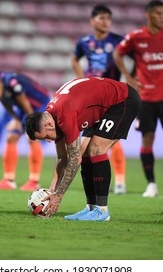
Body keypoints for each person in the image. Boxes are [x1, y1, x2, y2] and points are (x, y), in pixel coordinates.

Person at [24, 77, 141, 221]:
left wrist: (59, 196)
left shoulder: (64, 114)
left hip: (123, 100)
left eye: (46, 136)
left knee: (95, 149)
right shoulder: (52, 116)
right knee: (85, 152)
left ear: (48, 125)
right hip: (101, 107)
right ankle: (90, 208)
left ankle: (102, 211)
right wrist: (51, 192)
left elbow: (74, 159)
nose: (48, 140)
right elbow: (62, 158)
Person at [113, 0, 163, 198]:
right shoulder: (136, 37)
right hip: (146, 98)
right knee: (148, 139)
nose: (162, 17)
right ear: (148, 15)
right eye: (158, 13)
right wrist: (128, 77)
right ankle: (151, 185)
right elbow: (117, 53)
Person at [71, 4, 128, 195]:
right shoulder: (84, 42)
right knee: (89, 139)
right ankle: (94, 180)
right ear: (92, 21)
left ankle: (120, 181)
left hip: (112, 95)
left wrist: (132, 78)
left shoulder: (119, 41)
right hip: (92, 95)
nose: (106, 22)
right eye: (101, 18)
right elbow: (74, 59)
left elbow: (136, 58)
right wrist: (81, 79)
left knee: (112, 139)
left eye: (108, 19)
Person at [0, 72, 51, 191]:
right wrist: (16, 120)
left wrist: (32, 124)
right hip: (25, 107)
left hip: (41, 104)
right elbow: (5, 101)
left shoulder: (12, 82)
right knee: (11, 137)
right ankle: (8, 180)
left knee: (31, 137)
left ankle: (34, 181)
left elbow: (23, 101)